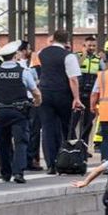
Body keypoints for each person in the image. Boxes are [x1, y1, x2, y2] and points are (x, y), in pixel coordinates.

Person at [0, 40, 42, 184]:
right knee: (21, 142)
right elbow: (35, 92)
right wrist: (37, 102)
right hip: (19, 112)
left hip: (1, 112)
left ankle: (5, 173)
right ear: (15, 56)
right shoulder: (24, 72)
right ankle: (18, 173)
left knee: (3, 142)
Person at [37, 30, 84, 175]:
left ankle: (51, 164)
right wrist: (76, 98)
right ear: (67, 40)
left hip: (45, 94)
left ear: (54, 39)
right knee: (67, 128)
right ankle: (66, 160)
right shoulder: (68, 56)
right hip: (63, 94)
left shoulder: (41, 53)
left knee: (48, 129)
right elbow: (73, 79)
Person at [71, 36, 104, 150]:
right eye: (89, 45)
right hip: (78, 94)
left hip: (91, 94)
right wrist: (84, 55)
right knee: (72, 123)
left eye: (94, 45)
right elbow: (74, 68)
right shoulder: (77, 56)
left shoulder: (98, 59)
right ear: (84, 46)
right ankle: (73, 147)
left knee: (88, 123)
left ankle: (83, 149)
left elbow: (105, 73)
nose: (92, 48)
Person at [16, 40, 43, 171]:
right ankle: (30, 159)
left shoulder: (16, 65)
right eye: (28, 49)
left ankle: (27, 160)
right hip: (30, 101)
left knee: (26, 131)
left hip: (21, 102)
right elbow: (38, 80)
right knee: (33, 131)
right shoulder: (29, 65)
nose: (30, 51)